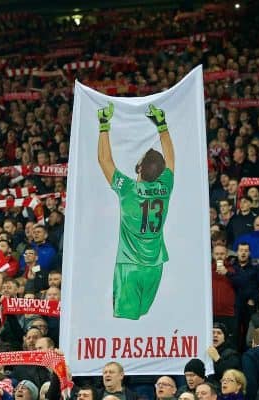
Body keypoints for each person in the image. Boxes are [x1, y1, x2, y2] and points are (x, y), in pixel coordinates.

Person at [97, 102, 175, 320]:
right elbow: (171, 158)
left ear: (139, 168)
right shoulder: (165, 187)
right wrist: (161, 125)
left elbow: (104, 160)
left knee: (125, 324)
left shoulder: (128, 189)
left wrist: (104, 125)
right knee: (143, 318)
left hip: (129, 266)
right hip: (155, 266)